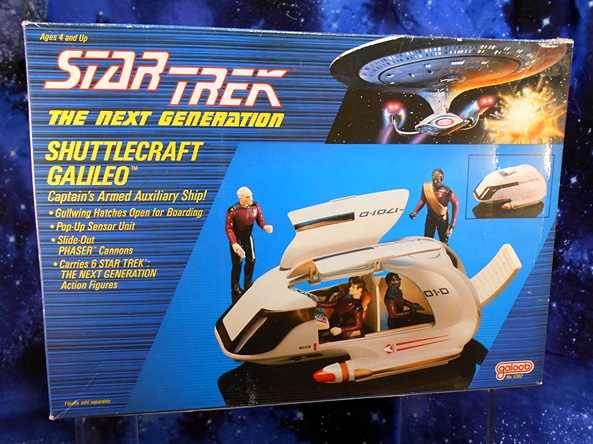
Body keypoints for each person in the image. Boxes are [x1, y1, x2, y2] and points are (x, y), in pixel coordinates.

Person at [225, 186, 273, 302]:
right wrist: (234, 243)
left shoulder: (255, 206)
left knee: (251, 260)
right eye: (247, 197)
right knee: (237, 263)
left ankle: (248, 283)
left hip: (247, 236)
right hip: (236, 239)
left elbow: (260, 219)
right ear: (240, 198)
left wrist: (265, 226)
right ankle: (235, 287)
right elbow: (229, 228)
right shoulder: (233, 210)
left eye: (251, 196)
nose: (250, 199)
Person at [409, 169, 459, 244]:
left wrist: (453, 222)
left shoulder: (447, 191)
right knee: (427, 240)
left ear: (441, 178)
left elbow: (456, 203)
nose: (435, 180)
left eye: (437, 177)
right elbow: (422, 200)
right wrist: (415, 211)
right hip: (430, 217)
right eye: (434, 176)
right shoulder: (426, 188)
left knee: (444, 241)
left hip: (442, 219)